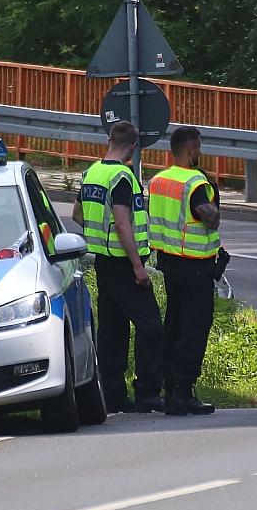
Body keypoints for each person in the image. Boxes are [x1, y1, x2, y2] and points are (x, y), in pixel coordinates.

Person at [72, 121, 165, 414]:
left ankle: (112, 393)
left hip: (102, 261)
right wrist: (138, 266)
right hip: (124, 264)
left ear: (109, 140)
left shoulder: (92, 173)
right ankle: (147, 393)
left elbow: (78, 214)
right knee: (151, 326)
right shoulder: (122, 177)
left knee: (113, 329)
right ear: (134, 147)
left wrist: (99, 234)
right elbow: (124, 223)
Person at [147, 126, 220, 416]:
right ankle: (184, 392)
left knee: (173, 323)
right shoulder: (196, 183)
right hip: (196, 264)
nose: (200, 151)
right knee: (194, 328)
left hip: (169, 262)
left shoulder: (159, 180)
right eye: (198, 146)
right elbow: (210, 219)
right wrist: (214, 203)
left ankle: (168, 387)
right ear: (190, 149)